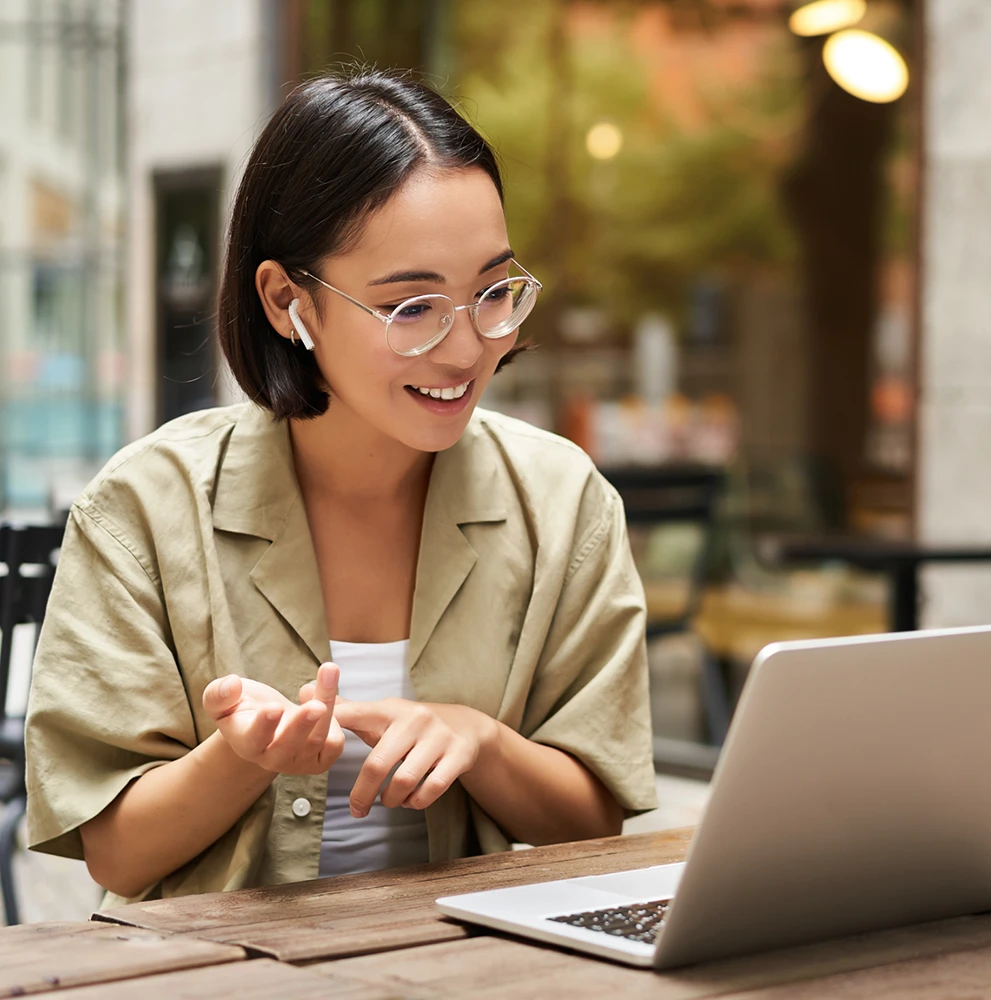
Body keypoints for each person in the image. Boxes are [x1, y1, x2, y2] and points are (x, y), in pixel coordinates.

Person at [24, 69, 657, 905]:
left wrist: (483, 742)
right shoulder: (144, 508)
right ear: (289, 301)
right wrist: (240, 759)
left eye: (493, 293)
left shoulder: (562, 501)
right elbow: (116, 855)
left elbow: (595, 822)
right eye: (413, 307)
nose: (468, 349)